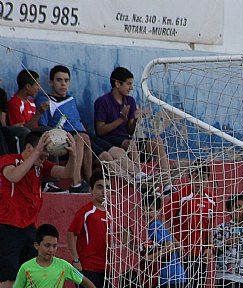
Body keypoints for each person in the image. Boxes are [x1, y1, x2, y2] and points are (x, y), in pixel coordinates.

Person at [0, 128, 78, 288]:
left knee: (30, 277)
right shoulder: (10, 160)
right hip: (8, 226)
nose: (45, 155)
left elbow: (66, 173)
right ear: (29, 147)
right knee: (7, 281)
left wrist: (74, 155)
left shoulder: (40, 166)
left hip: (30, 228)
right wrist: (36, 152)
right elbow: (13, 176)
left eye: (46, 151)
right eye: (43, 149)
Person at [94, 67, 172, 194]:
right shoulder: (102, 102)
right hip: (109, 140)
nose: (131, 88)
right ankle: (141, 180)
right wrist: (121, 119)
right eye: (128, 84)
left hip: (126, 138)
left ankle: (167, 184)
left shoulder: (129, 100)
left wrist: (135, 119)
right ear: (117, 83)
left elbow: (131, 131)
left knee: (156, 142)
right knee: (131, 144)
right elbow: (100, 131)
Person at [11, 224, 109, 288]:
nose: (51, 250)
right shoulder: (26, 267)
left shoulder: (63, 266)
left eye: (54, 246)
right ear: (37, 245)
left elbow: (85, 282)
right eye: (47, 246)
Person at [164, 159, 215, 288]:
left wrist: (210, 246)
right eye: (196, 177)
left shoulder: (211, 199)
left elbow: (210, 225)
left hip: (200, 255)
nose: (200, 181)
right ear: (190, 177)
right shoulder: (180, 196)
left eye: (203, 178)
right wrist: (174, 242)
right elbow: (166, 220)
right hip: (182, 255)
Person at [36, 65, 93, 193]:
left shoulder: (71, 99)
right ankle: (75, 182)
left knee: (86, 138)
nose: (63, 84)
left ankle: (90, 181)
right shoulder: (45, 100)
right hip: (58, 138)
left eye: (66, 80)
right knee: (80, 138)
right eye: (59, 80)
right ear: (51, 82)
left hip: (79, 136)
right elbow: (43, 126)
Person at [67, 170, 111, 288]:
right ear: (91, 189)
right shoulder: (86, 211)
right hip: (87, 267)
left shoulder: (112, 213)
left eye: (107, 187)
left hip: (106, 269)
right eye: (99, 187)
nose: (104, 191)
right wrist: (76, 260)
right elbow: (70, 233)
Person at [139, 192, 188, 288]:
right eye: (143, 210)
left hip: (170, 279)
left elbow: (170, 248)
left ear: (159, 210)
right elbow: (176, 246)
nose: (146, 214)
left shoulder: (154, 226)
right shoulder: (158, 226)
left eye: (150, 210)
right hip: (176, 278)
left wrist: (149, 258)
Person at [0, 83, 30, 155]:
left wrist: (10, 127)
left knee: (46, 131)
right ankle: (6, 163)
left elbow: (2, 122)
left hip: (1, 128)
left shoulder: (1, 94)